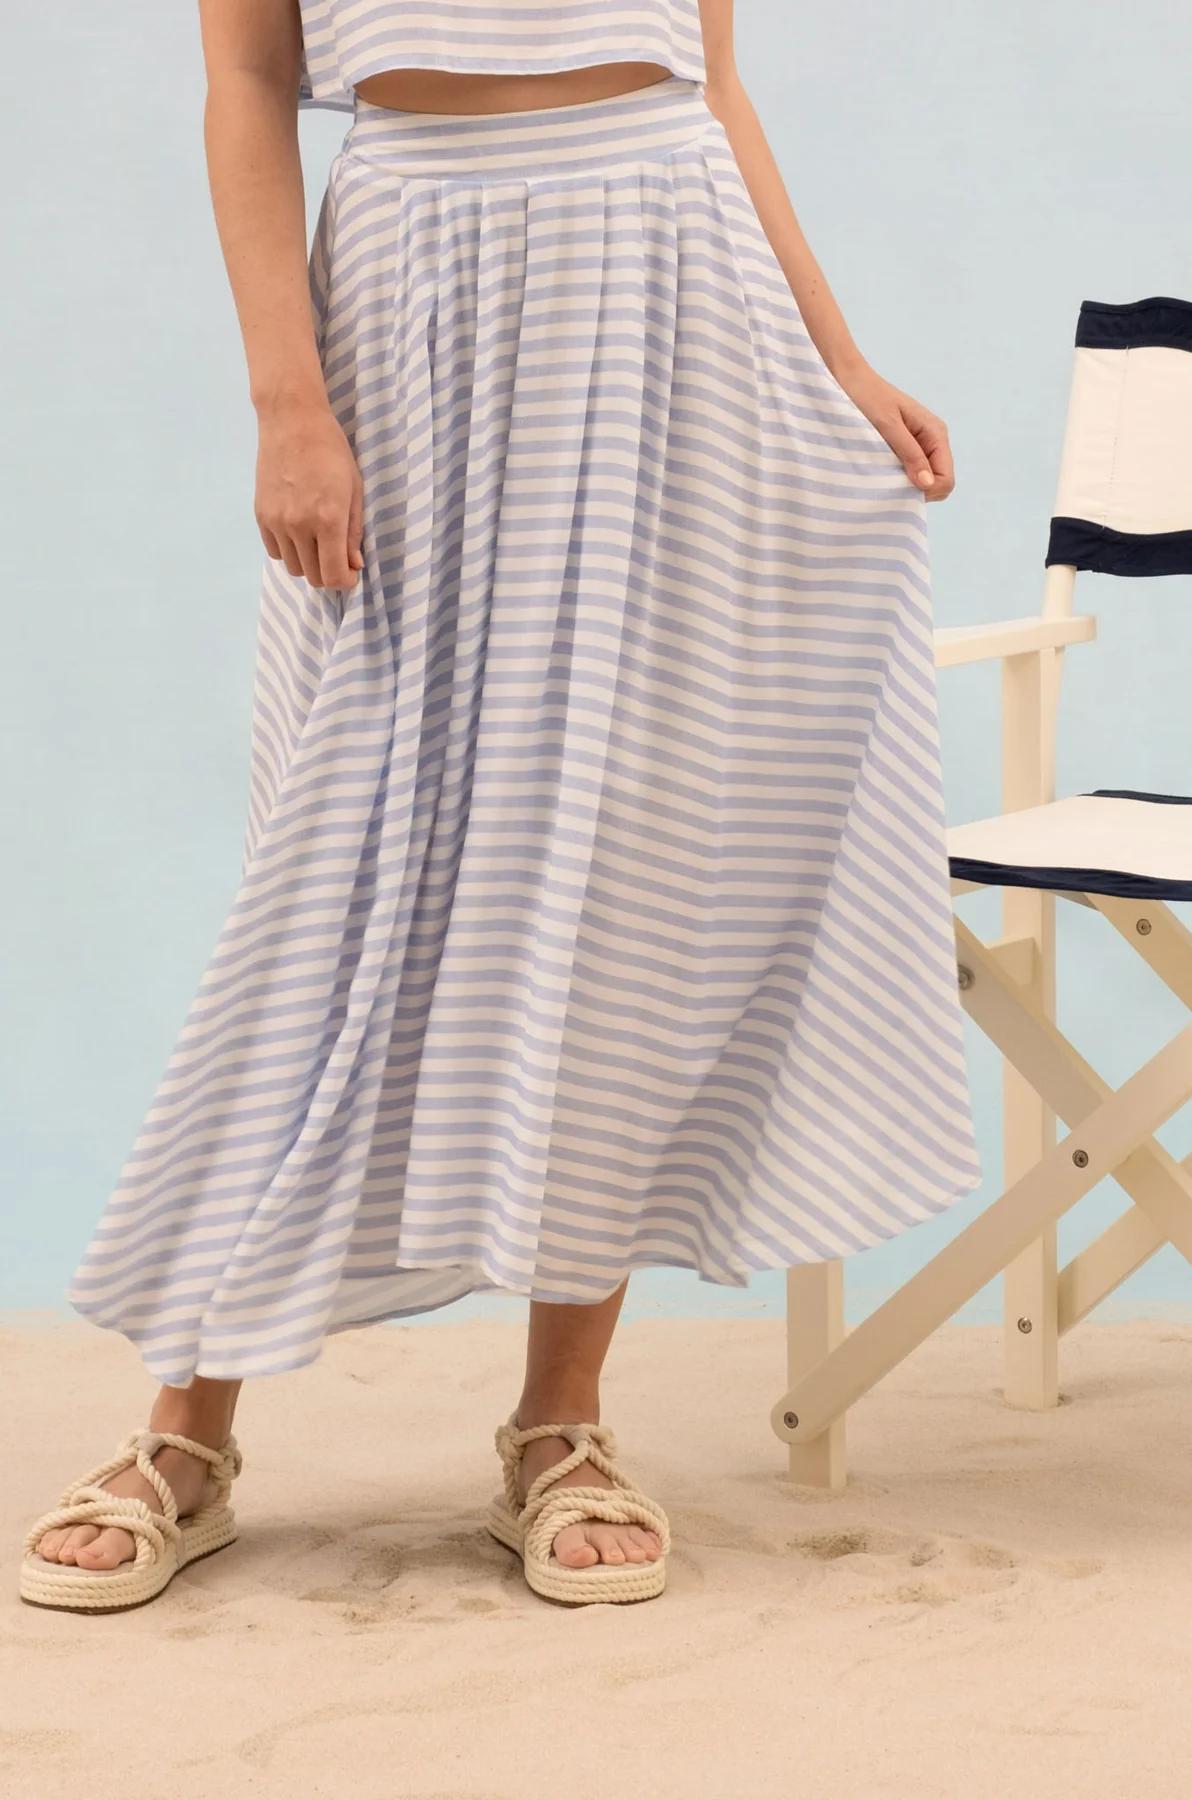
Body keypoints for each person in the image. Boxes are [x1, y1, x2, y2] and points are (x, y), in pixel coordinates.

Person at [20, 0, 980, 1611]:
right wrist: (286, 404)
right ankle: (188, 1429)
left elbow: (712, 83)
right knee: (340, 869)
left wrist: (838, 356)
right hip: (414, 301)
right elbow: (247, 83)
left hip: (680, 307)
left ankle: (562, 1425)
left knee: (624, 871)